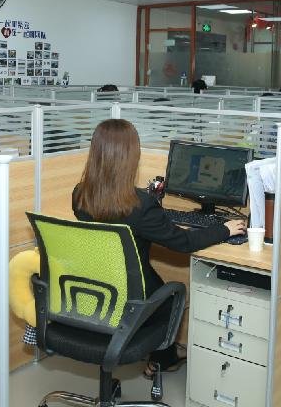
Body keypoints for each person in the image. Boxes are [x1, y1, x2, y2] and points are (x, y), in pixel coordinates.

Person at [72, 119, 245, 377]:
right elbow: (184, 243)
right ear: (132, 157)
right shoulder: (141, 205)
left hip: (97, 288)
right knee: (172, 295)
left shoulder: (79, 195)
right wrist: (225, 229)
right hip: (132, 295)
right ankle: (161, 359)